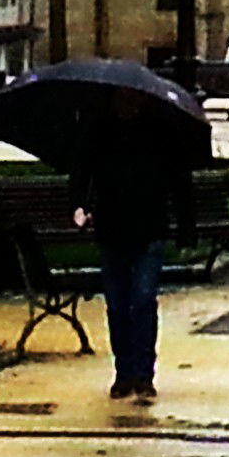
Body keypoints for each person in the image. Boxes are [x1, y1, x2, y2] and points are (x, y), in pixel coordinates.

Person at [72, 89, 194, 401]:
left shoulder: (161, 131)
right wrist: (80, 205)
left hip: (149, 228)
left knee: (142, 299)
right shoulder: (100, 130)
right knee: (116, 304)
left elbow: (179, 178)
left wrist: (185, 224)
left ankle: (143, 372)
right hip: (112, 229)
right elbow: (83, 170)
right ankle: (123, 372)